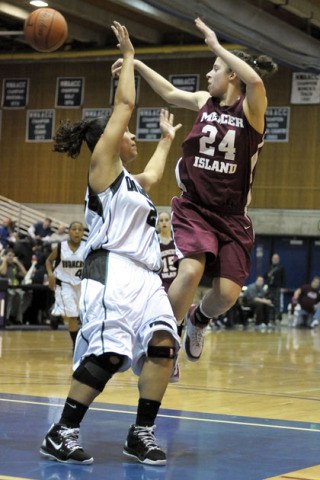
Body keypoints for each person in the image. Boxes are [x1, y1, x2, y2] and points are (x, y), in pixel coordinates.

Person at [40, 21, 181, 467]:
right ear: (108, 140)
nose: (133, 135)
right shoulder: (102, 170)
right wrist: (130, 56)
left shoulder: (132, 185)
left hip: (145, 275)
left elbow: (156, 177)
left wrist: (166, 141)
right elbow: (124, 101)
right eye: (130, 132)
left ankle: (141, 433)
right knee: (110, 352)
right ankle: (61, 431)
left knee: (162, 343)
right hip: (111, 269)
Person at [112, 17, 278, 361]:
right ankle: (162, 345)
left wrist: (218, 47)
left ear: (232, 74)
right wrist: (137, 62)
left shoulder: (251, 111)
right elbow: (170, 93)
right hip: (195, 207)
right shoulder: (204, 101)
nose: (208, 75)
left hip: (232, 216)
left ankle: (198, 318)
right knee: (189, 271)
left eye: (214, 68)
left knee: (228, 295)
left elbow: (257, 81)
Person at [46, 221, 86, 350]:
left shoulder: (87, 247)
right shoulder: (61, 246)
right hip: (65, 284)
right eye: (74, 229)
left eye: (80, 230)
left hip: (82, 284)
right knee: (72, 315)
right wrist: (50, 274)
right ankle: (75, 345)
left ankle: (55, 311)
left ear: (83, 233)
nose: (77, 232)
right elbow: (48, 260)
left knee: (85, 314)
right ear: (69, 232)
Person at [0, 248, 28, 324]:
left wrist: (18, 263)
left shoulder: (14, 266)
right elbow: (3, 272)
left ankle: (17, 319)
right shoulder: (2, 262)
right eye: (9, 255)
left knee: (20, 296)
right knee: (10, 295)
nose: (11, 257)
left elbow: (25, 274)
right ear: (5, 256)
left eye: (13, 256)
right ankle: (6, 318)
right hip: (4, 289)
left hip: (15, 287)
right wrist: (5, 260)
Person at [157, 211, 177, 293]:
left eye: (166, 220)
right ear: (158, 224)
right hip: (162, 283)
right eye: (161, 220)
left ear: (171, 221)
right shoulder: (155, 240)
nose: (164, 222)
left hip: (177, 281)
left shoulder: (176, 238)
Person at [265, 253, 285, 321]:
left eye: (276, 259)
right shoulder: (269, 267)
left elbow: (283, 278)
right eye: (274, 258)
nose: (275, 260)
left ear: (278, 259)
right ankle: (270, 317)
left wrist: (282, 287)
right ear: (272, 259)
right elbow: (265, 276)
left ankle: (277, 317)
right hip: (270, 287)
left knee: (277, 303)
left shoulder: (281, 267)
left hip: (277, 287)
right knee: (270, 301)